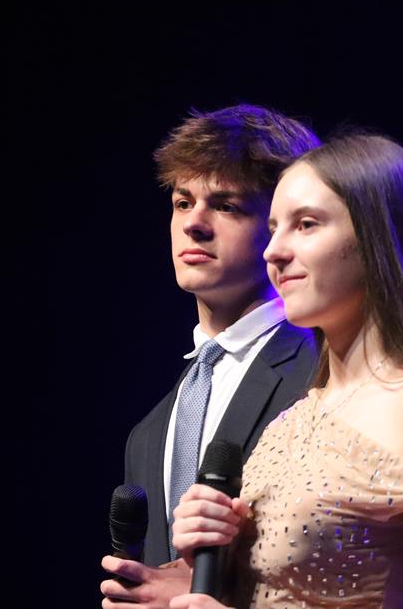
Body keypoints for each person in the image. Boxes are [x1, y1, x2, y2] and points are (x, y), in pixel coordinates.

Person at [170, 134, 403, 608]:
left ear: (376, 240)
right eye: (274, 228)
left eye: (306, 225)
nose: (273, 251)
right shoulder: (295, 419)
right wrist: (205, 573)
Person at [100, 105, 321, 608]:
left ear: (281, 227)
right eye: (182, 202)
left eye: (226, 205)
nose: (193, 224)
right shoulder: (148, 433)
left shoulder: (324, 371)